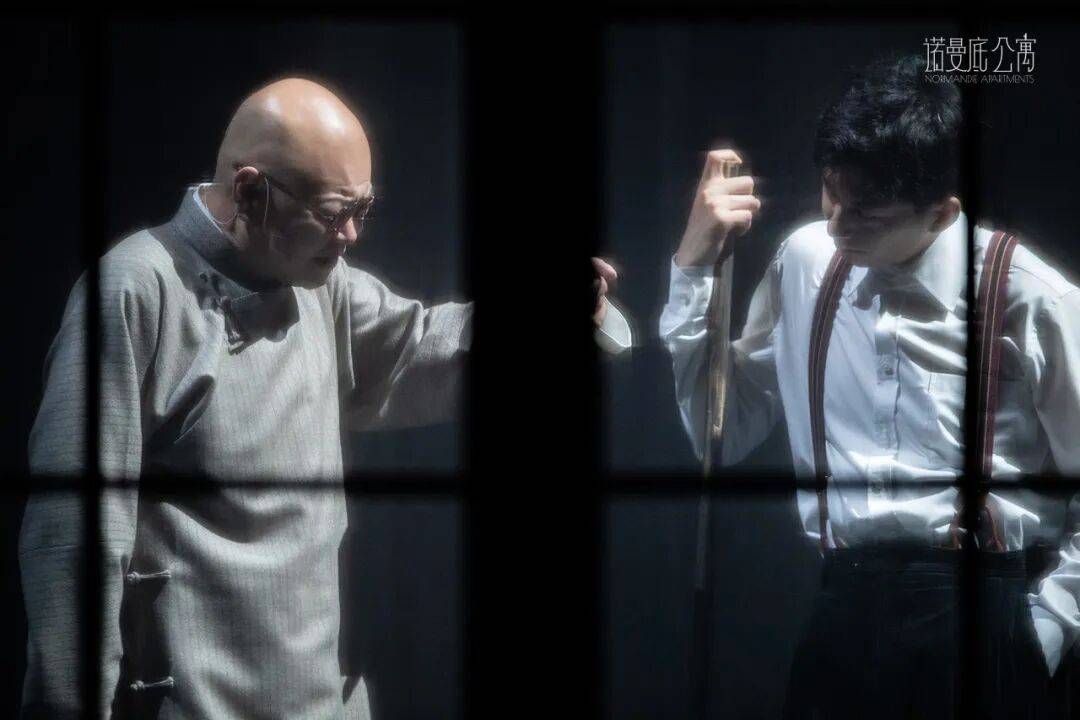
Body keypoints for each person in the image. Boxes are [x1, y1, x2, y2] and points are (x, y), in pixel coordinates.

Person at [21, 77, 470, 719]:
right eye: (333, 213)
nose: (350, 235)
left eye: (362, 210)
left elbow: (416, 345)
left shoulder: (321, 283)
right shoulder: (136, 289)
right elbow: (73, 539)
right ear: (251, 191)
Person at [660, 55, 1080, 717]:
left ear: (941, 212)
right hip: (843, 609)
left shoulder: (1032, 296)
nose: (836, 224)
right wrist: (693, 268)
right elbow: (721, 432)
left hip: (984, 612)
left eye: (866, 213)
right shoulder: (805, 262)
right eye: (831, 193)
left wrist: (1045, 631)